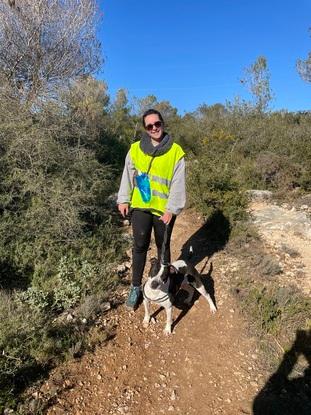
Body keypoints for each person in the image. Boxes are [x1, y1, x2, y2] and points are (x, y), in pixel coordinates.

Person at [117, 109, 186, 309]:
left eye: (157, 124)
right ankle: (136, 287)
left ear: (163, 124)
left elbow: (178, 183)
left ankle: (164, 284)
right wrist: (123, 199)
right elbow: (128, 174)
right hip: (141, 206)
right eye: (150, 126)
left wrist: (172, 208)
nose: (154, 128)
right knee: (139, 246)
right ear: (145, 129)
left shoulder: (175, 152)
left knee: (163, 247)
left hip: (164, 210)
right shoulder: (136, 149)